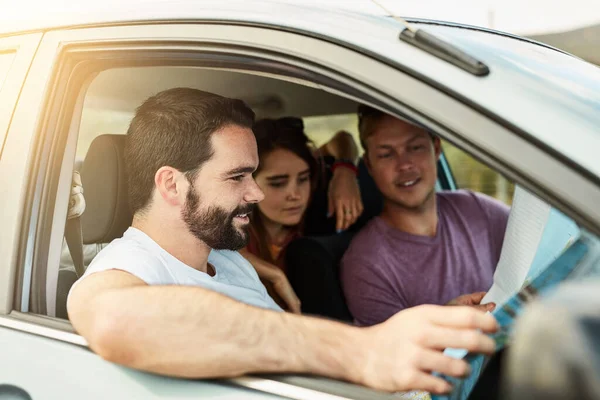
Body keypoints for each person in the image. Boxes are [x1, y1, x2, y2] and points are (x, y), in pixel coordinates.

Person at [67, 88, 499, 395]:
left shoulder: (227, 258)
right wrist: (361, 350)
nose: (256, 194)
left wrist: (428, 327)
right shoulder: (129, 266)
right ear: (172, 185)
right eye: (238, 176)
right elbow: (111, 318)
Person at [341, 105, 510, 327]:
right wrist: (442, 323)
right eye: (386, 154)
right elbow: (388, 356)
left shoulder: (477, 210)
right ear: (369, 165)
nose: (404, 164)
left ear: (436, 148)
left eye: (415, 147)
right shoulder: (366, 264)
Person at [241, 117, 362, 311]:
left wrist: (345, 171)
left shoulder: (311, 223)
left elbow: (342, 139)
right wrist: (273, 274)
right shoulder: (232, 235)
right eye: (277, 183)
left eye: (303, 179)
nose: (295, 195)